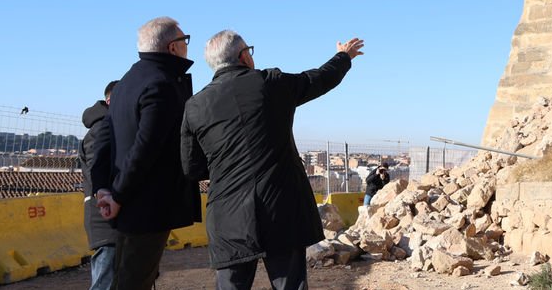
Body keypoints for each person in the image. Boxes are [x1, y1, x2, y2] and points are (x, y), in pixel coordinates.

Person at [181, 30, 364, 290]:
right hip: (281, 210)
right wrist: (343, 56)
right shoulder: (271, 83)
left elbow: (191, 167)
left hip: (228, 217)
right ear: (244, 56)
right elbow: (320, 78)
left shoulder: (195, 106)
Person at [90, 16, 202, 290]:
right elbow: (146, 147)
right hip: (148, 205)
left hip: (127, 203)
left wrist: (102, 187)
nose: (188, 46)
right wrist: (117, 194)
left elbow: (106, 140)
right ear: (173, 47)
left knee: (128, 277)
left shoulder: (129, 80)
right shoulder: (162, 84)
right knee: (134, 280)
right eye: (184, 40)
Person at [80, 80, 119, 290]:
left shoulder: (108, 126)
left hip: (110, 217)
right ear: (111, 100)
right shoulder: (102, 129)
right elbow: (99, 174)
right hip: (105, 219)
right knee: (105, 282)